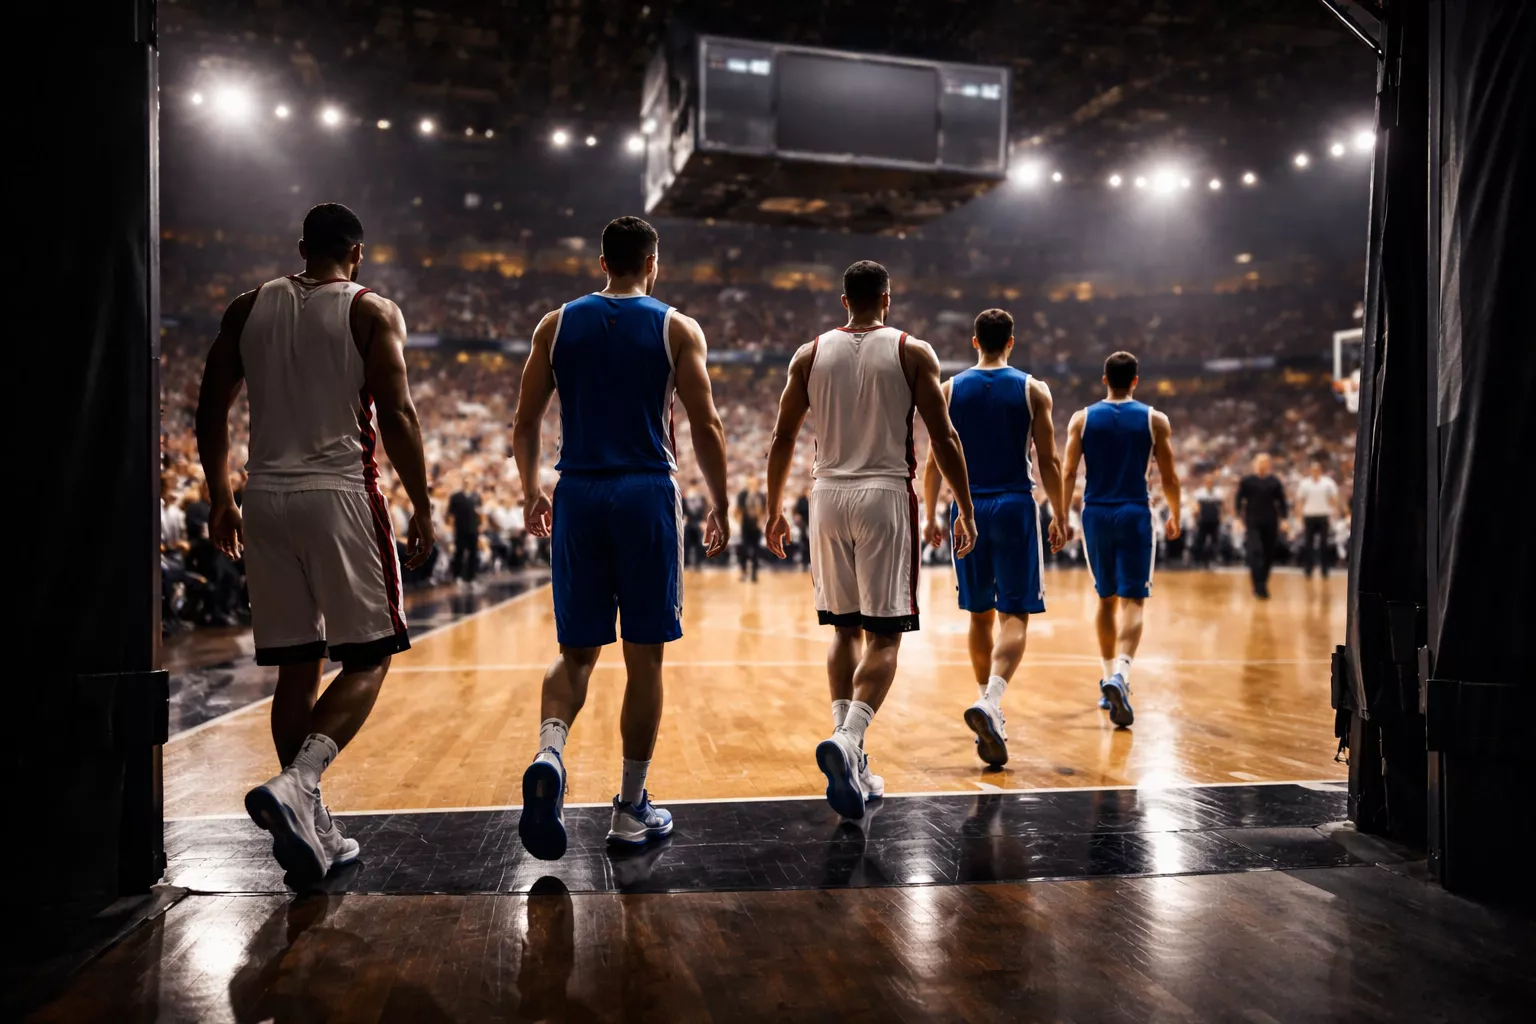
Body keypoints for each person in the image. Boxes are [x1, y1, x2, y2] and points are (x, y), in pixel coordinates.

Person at [196, 203, 435, 883]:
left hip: (263, 498)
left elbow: (211, 404)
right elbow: (397, 411)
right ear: (357, 254)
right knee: (371, 658)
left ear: (302, 248)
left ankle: (312, 824)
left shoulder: (248, 306)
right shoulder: (370, 310)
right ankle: (299, 784)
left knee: (297, 668)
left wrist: (221, 495)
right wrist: (421, 503)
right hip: (339, 494)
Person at [510, 216, 730, 860]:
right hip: (644, 493)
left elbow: (525, 421)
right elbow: (707, 424)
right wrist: (717, 503)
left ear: (602, 261)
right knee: (645, 658)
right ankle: (631, 809)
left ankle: (550, 752)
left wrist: (531, 489)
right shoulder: (676, 326)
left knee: (576, 653)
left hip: (577, 491)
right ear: (652, 263)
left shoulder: (555, 325)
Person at [764, 260, 976, 820]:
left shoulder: (807, 355)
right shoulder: (912, 350)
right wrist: (965, 509)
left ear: (843, 301)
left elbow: (783, 436)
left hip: (826, 494)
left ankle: (849, 752)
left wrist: (771, 508)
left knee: (842, 628)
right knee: (885, 637)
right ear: (887, 298)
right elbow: (944, 436)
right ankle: (851, 738)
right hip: (885, 492)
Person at [921, 309, 1067, 768]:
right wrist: (1060, 513)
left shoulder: (948, 390)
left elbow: (931, 461)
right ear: (1011, 342)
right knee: (1016, 613)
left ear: (974, 341)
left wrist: (930, 515)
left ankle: (988, 704)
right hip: (1014, 505)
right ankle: (992, 701)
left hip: (967, 509)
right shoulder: (1032, 389)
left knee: (979, 616)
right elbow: (1050, 460)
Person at [1062, 351, 1181, 728]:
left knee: (1105, 597)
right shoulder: (1154, 419)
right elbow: (1169, 476)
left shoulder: (1081, 418)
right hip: (1134, 512)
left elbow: (1067, 472)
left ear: (1103, 380)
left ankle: (1106, 675)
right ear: (1135, 380)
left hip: (1095, 513)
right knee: (1134, 601)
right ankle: (1122, 676)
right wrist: (1176, 512)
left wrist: (1060, 516)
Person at [1236, 453, 1287, 598]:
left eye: (1265, 462)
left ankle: (1263, 583)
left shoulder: (1274, 482)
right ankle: (1257, 584)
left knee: (1269, 554)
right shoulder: (1247, 481)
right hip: (1252, 521)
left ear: (1269, 465)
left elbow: (1282, 501)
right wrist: (1237, 518)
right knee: (1255, 551)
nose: (1262, 465)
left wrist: (1284, 519)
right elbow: (1239, 499)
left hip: (1271, 521)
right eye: (1260, 462)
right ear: (1254, 464)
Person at [1295, 458, 1340, 578]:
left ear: (1320, 470)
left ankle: (1325, 570)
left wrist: (1334, 510)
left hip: (1323, 515)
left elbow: (1334, 498)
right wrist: (1299, 516)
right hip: (1309, 515)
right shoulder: (1305, 483)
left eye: (1317, 469)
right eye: (1313, 469)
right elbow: (1300, 501)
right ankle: (1308, 569)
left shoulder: (1328, 483)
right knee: (1308, 543)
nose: (1315, 471)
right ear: (1310, 470)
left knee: (1324, 544)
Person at [447, 480, 482, 585]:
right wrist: (451, 528)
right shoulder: (455, 497)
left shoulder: (476, 497)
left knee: (473, 552)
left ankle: (472, 577)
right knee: (459, 552)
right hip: (460, 528)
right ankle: (457, 576)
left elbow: (481, 512)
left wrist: (481, 525)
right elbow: (451, 515)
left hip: (473, 529)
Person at [1191, 473, 1223, 567]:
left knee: (1215, 540)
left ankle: (1214, 558)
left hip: (1214, 519)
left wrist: (1221, 517)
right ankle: (1199, 559)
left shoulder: (1218, 492)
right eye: (1207, 481)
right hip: (1203, 519)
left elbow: (1220, 507)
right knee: (1201, 539)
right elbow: (1196, 507)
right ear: (1204, 482)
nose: (1209, 483)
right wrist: (1195, 517)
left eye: (1211, 481)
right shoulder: (1199, 493)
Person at [736, 477, 764, 582]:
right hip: (745, 525)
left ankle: (754, 574)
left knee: (756, 550)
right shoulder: (742, 495)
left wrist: (761, 522)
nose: (752, 485)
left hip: (756, 526)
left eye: (754, 483)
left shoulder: (761, 495)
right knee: (744, 549)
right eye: (750, 483)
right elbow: (738, 510)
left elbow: (764, 511)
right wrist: (740, 524)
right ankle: (743, 571)